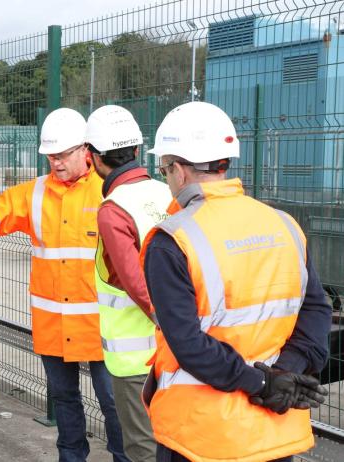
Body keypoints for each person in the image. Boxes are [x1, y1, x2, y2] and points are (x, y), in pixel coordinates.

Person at [0, 107, 130, 462]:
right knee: (64, 401)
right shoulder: (34, 194)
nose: (56, 163)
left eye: (63, 155)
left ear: (86, 150)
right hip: (54, 326)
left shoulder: (110, 193)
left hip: (103, 328)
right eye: (50, 156)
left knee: (114, 405)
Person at [140, 101, 330, 462]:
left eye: (164, 168)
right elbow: (317, 310)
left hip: (200, 437)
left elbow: (189, 345)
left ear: (178, 170)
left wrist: (261, 382)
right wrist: (283, 375)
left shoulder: (172, 240)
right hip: (274, 431)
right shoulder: (284, 225)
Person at [85, 105, 171, 462]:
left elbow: (137, 286)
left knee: (142, 448)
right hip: (179, 355)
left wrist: (174, 325)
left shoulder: (113, 209)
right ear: (137, 150)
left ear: (91, 158)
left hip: (136, 362)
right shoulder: (169, 194)